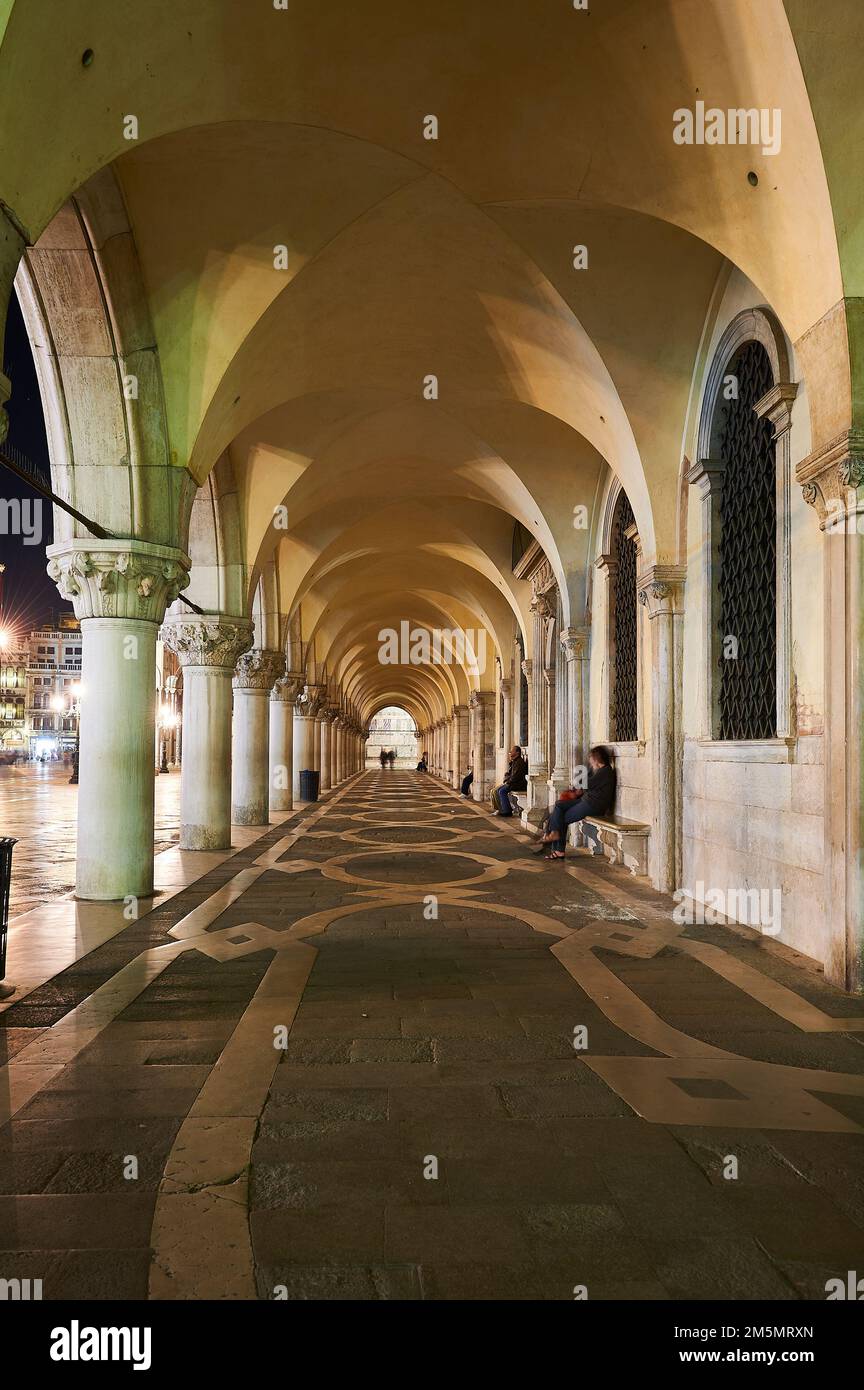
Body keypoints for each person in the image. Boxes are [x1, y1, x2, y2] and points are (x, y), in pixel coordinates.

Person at [536, 746, 616, 859]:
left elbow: (584, 784)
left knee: (561, 819)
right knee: (559, 805)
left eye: (591, 758)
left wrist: (583, 778)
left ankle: (557, 847)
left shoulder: (605, 772)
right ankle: (554, 835)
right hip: (586, 801)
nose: (589, 761)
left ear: (596, 759)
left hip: (593, 805)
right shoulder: (598, 771)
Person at [492, 745, 528, 816]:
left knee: (501, 791)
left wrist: (507, 781)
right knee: (495, 790)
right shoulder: (515, 761)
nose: (510, 752)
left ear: (517, 752)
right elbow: (509, 774)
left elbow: (515, 777)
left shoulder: (519, 763)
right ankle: (500, 809)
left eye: (512, 751)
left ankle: (506, 811)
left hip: (518, 784)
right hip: (513, 783)